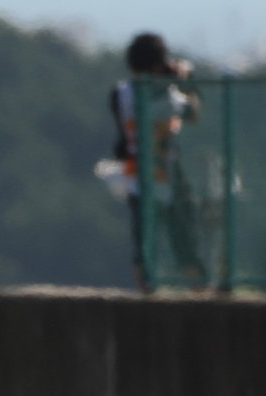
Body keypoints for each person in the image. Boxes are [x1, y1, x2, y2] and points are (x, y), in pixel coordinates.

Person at [109, 32, 205, 290]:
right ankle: (199, 293)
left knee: (144, 244)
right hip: (170, 173)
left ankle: (146, 292)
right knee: (185, 243)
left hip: (137, 175)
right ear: (157, 64)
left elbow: (121, 136)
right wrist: (184, 81)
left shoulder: (122, 94)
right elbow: (194, 112)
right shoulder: (172, 99)